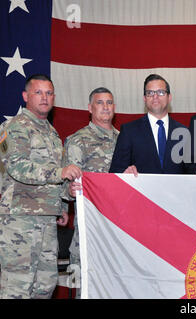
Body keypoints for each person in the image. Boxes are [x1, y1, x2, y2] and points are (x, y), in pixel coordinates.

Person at [0, 74, 82, 299]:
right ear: (26, 96)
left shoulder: (51, 133)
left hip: (47, 220)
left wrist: (65, 200)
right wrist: (60, 173)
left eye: (49, 93)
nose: (44, 98)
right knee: (16, 288)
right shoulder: (15, 127)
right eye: (38, 92)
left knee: (44, 286)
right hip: (19, 220)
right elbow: (17, 167)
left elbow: (55, 176)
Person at [63, 87, 119, 298]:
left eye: (109, 102)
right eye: (100, 102)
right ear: (90, 108)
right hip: (89, 228)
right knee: (85, 286)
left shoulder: (124, 139)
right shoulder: (78, 140)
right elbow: (66, 186)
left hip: (117, 228)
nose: (105, 107)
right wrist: (70, 190)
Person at [109, 74, 186, 175]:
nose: (155, 96)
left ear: (169, 97)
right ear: (145, 98)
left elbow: (192, 171)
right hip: (140, 190)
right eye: (150, 93)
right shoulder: (129, 131)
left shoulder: (184, 132)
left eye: (161, 92)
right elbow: (115, 171)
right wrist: (125, 173)